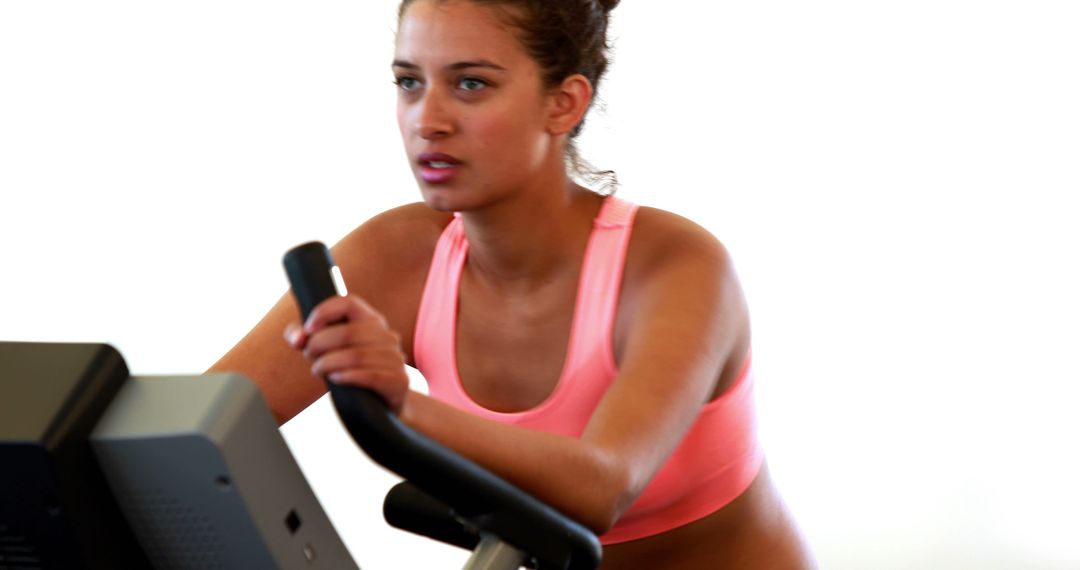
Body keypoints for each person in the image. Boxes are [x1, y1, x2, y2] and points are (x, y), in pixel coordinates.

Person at [210, 0, 814, 567]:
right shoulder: (396, 258)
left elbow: (601, 485)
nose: (429, 120)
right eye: (409, 82)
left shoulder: (676, 268)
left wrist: (399, 406)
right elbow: (196, 423)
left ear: (564, 103)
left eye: (471, 83)